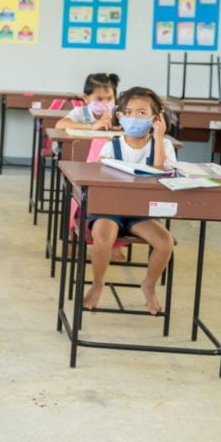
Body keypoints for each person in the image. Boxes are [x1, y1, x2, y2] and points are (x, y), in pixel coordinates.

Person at [84, 86, 177, 315]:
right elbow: (98, 182)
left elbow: (159, 173)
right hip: (108, 210)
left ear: (157, 118)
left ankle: (149, 286)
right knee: (103, 238)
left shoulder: (163, 146)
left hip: (140, 212)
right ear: (120, 116)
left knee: (165, 242)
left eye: (143, 113)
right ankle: (97, 284)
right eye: (130, 112)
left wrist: (158, 137)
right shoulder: (111, 146)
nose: (135, 118)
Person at [55, 72, 120, 131]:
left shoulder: (119, 112)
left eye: (109, 99)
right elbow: (60, 125)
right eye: (99, 99)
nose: (105, 104)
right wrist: (91, 127)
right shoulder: (81, 112)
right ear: (86, 98)